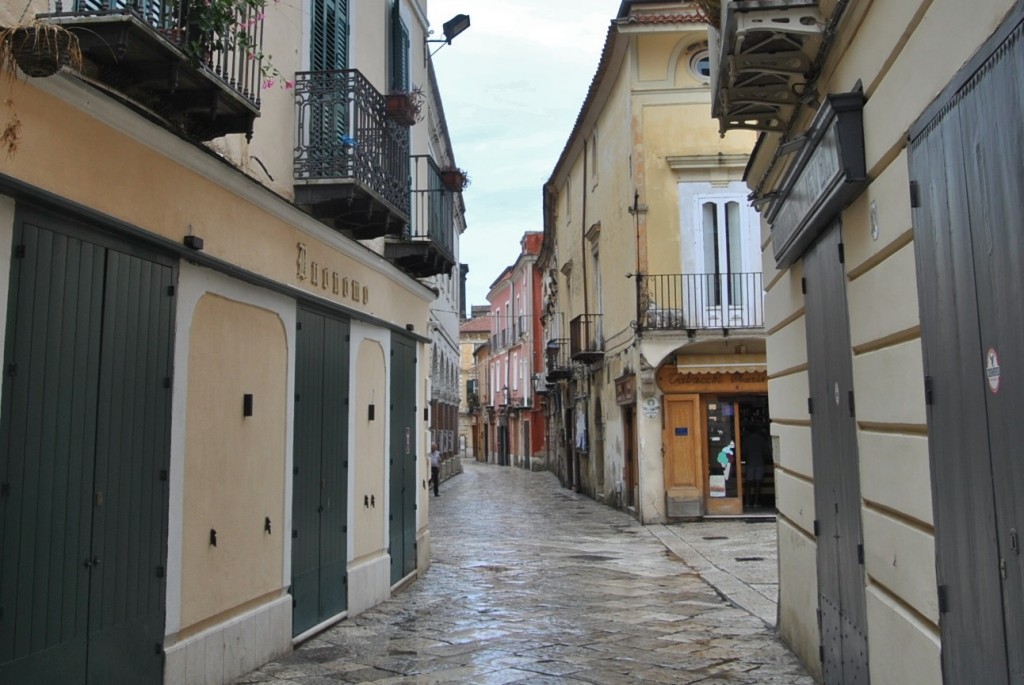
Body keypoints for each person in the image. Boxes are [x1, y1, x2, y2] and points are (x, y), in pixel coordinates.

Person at [742, 428, 771, 508]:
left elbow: (744, 452)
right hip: (760, 462)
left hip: (750, 463)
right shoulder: (762, 440)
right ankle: (756, 502)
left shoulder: (747, 439)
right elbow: (766, 452)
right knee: (758, 483)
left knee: (748, 482)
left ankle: (747, 502)